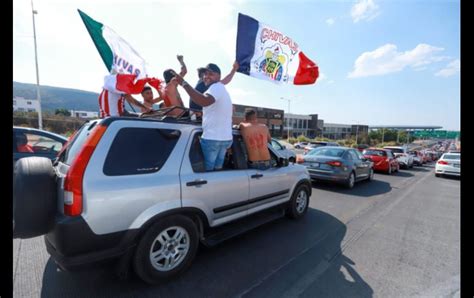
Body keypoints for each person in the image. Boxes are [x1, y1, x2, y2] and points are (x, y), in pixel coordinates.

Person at [172, 63, 233, 171]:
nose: (206, 76)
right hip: (225, 138)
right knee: (217, 170)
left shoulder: (216, 87)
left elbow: (204, 101)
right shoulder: (221, 88)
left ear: (218, 76)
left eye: (211, 74)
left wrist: (183, 83)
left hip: (213, 138)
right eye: (205, 74)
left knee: (207, 173)